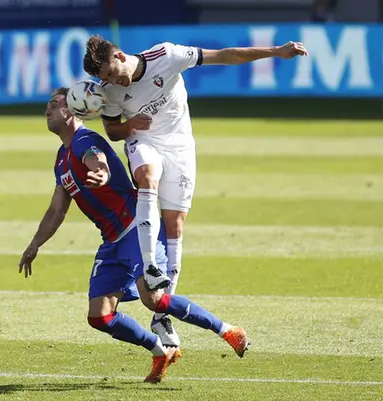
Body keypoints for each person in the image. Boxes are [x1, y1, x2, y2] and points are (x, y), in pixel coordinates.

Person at [82, 35, 307, 348]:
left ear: (119, 55)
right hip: (145, 143)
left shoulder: (167, 55)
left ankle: (162, 313)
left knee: (175, 225)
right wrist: (131, 125)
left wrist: (276, 51)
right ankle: (150, 266)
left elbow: (225, 55)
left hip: (180, 147)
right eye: (104, 79)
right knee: (146, 177)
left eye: (109, 72)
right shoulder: (109, 92)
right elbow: (113, 131)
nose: (111, 81)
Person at [18, 87, 250, 383]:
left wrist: (101, 172)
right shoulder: (62, 158)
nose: (47, 110)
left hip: (136, 228)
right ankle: (159, 351)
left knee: (153, 299)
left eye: (54, 104)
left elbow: (96, 158)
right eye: (47, 105)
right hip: (112, 240)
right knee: (99, 317)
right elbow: (56, 210)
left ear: (74, 108)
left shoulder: (85, 140)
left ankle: (228, 330)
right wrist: (35, 244)